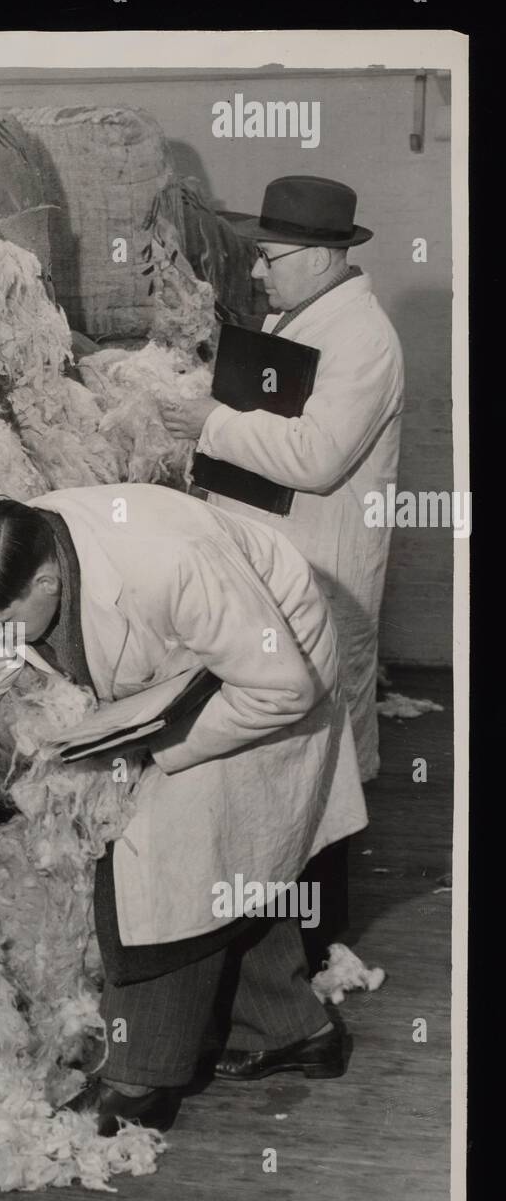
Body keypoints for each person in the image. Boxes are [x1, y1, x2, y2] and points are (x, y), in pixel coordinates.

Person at [0, 485, 368, 1137]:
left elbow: (282, 687)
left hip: (272, 672)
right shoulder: (18, 558)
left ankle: (138, 1082)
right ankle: (292, 1031)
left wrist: (152, 747)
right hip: (190, 678)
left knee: (157, 863)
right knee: (232, 858)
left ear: (48, 581)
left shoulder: (169, 558)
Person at [160, 175, 404, 965]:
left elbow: (316, 456)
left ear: (327, 258)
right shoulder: (300, 318)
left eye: (270, 257)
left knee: (320, 759)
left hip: (321, 570)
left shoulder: (362, 339)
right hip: (275, 564)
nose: (257, 272)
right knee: (284, 756)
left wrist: (212, 424)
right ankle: (276, 946)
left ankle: (320, 949)